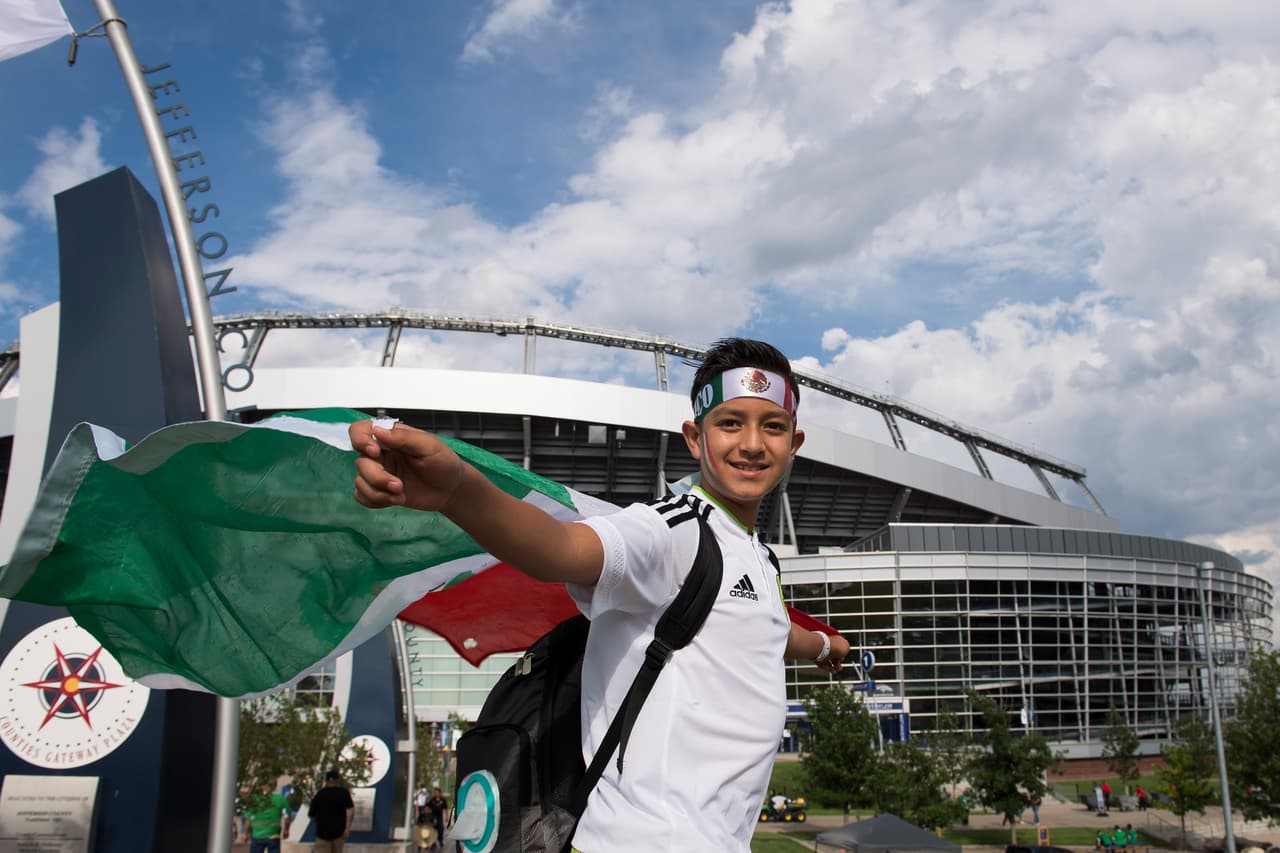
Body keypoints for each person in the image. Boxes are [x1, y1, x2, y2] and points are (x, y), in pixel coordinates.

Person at [350, 337, 851, 852]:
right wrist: (458, 490)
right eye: (729, 423)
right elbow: (561, 547)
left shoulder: (758, 558)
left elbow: (767, 628)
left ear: (794, 443)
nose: (751, 443)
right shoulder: (672, 532)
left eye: (772, 426)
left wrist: (827, 648)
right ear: (695, 438)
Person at [308, 769, 354, 852]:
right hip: (339, 834)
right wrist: (347, 828)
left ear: (326, 781)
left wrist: (320, 822)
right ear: (338, 780)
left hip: (322, 834)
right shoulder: (343, 793)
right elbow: (350, 810)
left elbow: (311, 815)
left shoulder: (319, 795)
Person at [241, 780, 290, 853]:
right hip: (273, 835)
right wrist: (286, 830)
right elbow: (287, 817)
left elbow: (248, 819)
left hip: (257, 835)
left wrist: (245, 834)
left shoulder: (255, 800)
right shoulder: (281, 799)